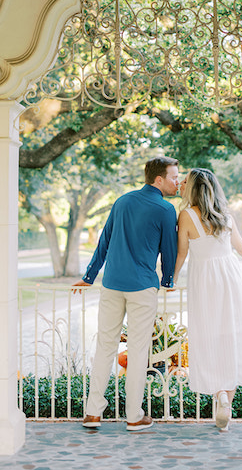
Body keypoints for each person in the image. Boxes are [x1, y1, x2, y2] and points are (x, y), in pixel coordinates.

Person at [172, 168, 242, 431]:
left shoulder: (187, 216)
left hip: (204, 280)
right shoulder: (225, 217)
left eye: (185, 181)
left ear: (194, 188)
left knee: (208, 335)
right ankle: (227, 403)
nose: (181, 183)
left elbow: (181, 254)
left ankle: (219, 394)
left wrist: (171, 281)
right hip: (231, 278)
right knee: (232, 336)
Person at [72, 156, 179, 431]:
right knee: (138, 350)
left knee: (104, 347)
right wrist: (167, 279)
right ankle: (134, 416)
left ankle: (92, 414)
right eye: (174, 177)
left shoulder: (122, 201)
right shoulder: (166, 210)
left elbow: (104, 241)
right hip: (142, 287)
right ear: (159, 179)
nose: (177, 182)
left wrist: (89, 276)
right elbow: (169, 250)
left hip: (111, 285)